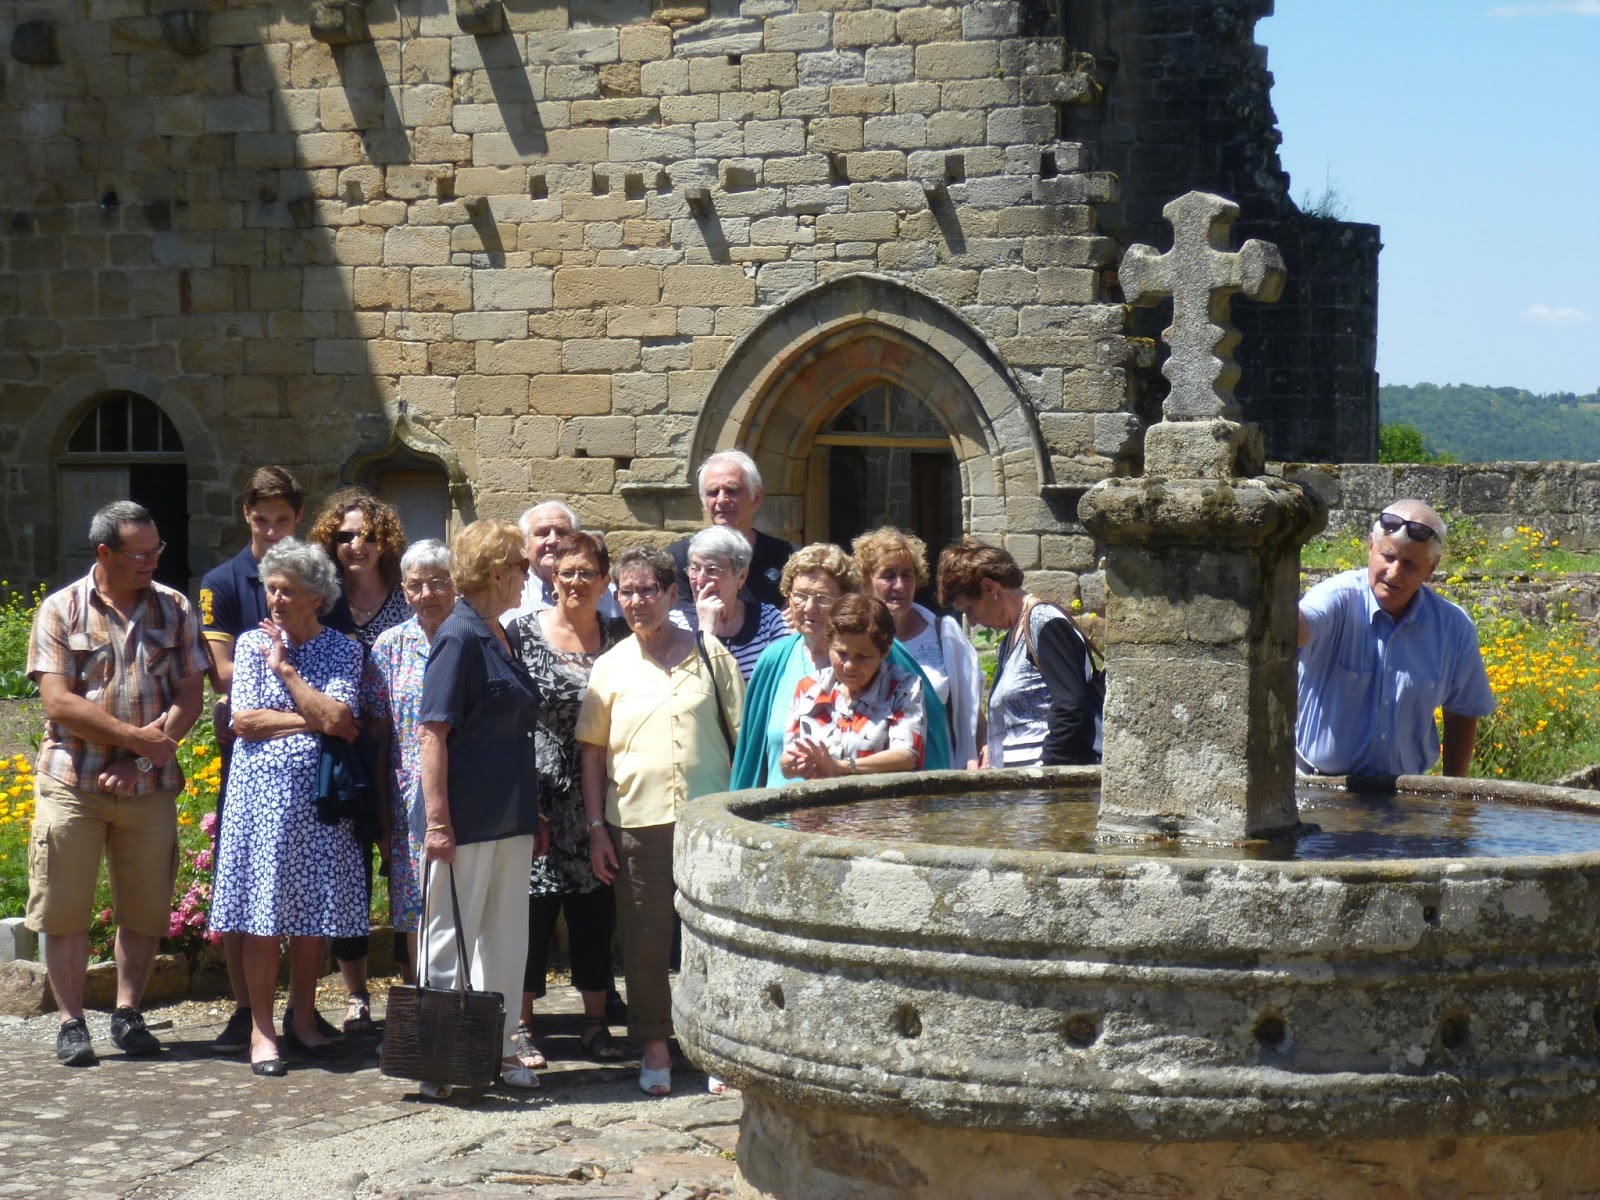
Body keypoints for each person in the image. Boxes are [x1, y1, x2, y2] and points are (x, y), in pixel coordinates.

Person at [26, 501, 210, 1068]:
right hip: (72, 780)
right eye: (140, 554)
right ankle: (72, 1023)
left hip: (148, 785)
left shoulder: (175, 607)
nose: (152, 561)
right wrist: (136, 740)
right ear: (103, 553)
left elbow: (189, 695)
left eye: (157, 551)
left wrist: (148, 759)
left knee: (146, 905)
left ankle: (128, 1015)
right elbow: (58, 701)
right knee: (64, 907)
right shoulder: (60, 611)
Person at [578, 546, 744, 1097]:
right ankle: (654, 1046)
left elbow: (741, 739)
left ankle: (714, 1043)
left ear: (674, 595)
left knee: (712, 935)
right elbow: (593, 753)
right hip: (636, 822)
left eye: (648, 589)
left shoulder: (712, 655)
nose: (636, 600)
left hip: (709, 822)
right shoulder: (610, 665)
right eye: (626, 591)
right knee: (646, 939)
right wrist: (597, 828)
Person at [207, 538, 366, 1077]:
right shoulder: (251, 644)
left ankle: (302, 1017)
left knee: (310, 916)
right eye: (270, 588)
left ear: (315, 598)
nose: (275, 599)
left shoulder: (343, 649)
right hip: (261, 804)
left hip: (318, 804)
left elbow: (343, 713)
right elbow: (245, 722)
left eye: (287, 591)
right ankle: (261, 1031)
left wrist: (288, 673)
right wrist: (313, 718)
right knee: (260, 918)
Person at [417, 519, 548, 1098]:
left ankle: (494, 1049)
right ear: (498, 572)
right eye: (522, 566)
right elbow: (432, 735)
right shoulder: (458, 636)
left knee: (504, 938)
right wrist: (439, 822)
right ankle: (438, 1061)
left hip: (511, 817)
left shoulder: (500, 634)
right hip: (464, 821)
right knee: (448, 937)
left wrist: (534, 812)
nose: (528, 576)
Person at [198, 465, 309, 1055]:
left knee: (307, 883)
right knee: (241, 885)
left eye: (283, 520)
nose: (271, 531)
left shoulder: (313, 576)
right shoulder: (223, 580)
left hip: (305, 759)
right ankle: (246, 1010)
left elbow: (329, 654)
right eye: (261, 520)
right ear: (246, 516)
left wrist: (281, 672)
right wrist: (291, 676)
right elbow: (222, 673)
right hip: (247, 754)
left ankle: (301, 1010)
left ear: (298, 518)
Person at [507, 531, 628, 1066]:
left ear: (605, 582)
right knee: (529, 912)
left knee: (594, 910)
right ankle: (522, 1026)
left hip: (598, 796)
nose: (575, 582)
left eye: (587, 573)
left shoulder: (621, 636)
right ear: (551, 579)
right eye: (566, 572)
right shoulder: (521, 633)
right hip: (535, 795)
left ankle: (595, 1024)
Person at [307, 486, 409, 1034]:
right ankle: (355, 995)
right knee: (350, 872)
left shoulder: (407, 594)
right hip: (344, 749)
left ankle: (415, 983)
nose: (356, 545)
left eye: (367, 535)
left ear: (383, 540)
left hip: (400, 749)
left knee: (406, 867)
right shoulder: (324, 600)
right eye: (344, 536)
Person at [1296, 500, 1496, 778]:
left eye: (1410, 564)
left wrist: (1455, 800)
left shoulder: (1453, 627)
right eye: (1387, 557)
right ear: (1370, 547)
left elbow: (1462, 712)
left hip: (1405, 800)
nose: (1394, 573)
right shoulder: (1336, 599)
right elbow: (1297, 626)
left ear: (1431, 568)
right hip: (1320, 792)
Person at [731, 544, 954, 789]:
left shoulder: (890, 656)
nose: (808, 608)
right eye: (800, 595)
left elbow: (921, 749)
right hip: (781, 818)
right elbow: (753, 758)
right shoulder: (775, 658)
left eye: (822, 598)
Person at [361, 539, 456, 984]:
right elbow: (378, 733)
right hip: (407, 798)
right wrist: (381, 813)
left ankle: (462, 1001)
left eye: (438, 582)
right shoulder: (389, 646)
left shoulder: (471, 637)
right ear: (403, 590)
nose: (428, 594)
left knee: (461, 896)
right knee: (414, 903)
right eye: (417, 585)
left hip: (467, 788)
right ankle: (420, 1005)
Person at [938, 538, 1102, 768]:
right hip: (1023, 792)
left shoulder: (1044, 622)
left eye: (969, 610)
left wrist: (1044, 773)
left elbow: (1070, 708)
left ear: (990, 588)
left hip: (1045, 791)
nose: (973, 622)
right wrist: (991, 750)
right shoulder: (1011, 638)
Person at [854, 526, 984, 769]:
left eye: (908, 575)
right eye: (888, 575)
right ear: (866, 580)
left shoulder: (944, 633)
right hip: (867, 775)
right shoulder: (850, 638)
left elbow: (972, 715)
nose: (900, 585)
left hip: (939, 774)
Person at [780, 595, 927, 778]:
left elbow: (906, 755)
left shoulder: (903, 688)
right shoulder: (808, 688)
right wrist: (791, 764)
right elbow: (788, 760)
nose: (849, 665)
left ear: (885, 651)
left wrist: (841, 768)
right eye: (841, 653)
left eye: (862, 656)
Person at [666, 450, 794, 610]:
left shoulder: (787, 557)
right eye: (712, 492)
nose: (721, 500)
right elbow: (679, 622)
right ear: (703, 502)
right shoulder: (678, 558)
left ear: (756, 497)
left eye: (732, 491)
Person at [677, 525, 790, 680]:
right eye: (695, 569)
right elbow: (688, 688)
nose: (701, 581)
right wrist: (706, 630)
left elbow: (782, 682)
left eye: (712, 570)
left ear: (741, 576)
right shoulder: (674, 624)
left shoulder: (769, 620)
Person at [501, 499, 622, 627]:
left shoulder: (609, 594)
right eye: (542, 533)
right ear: (524, 546)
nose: (553, 540)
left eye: (562, 533)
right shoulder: (505, 595)